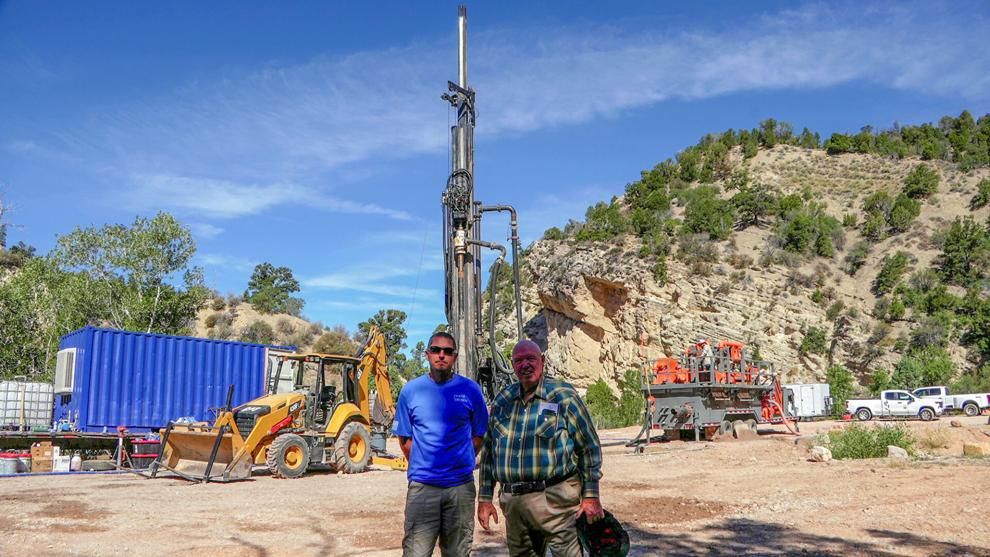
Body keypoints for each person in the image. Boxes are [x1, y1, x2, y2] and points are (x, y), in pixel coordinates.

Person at [476, 339, 605, 557]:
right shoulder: (503, 400)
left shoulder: (563, 395)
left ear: (542, 361)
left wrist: (591, 496)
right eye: (519, 360)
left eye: (530, 358)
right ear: (512, 365)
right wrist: (485, 498)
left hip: (556, 502)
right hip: (515, 506)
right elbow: (489, 453)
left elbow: (589, 447)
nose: (525, 364)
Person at [392, 331, 489, 557]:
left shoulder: (470, 390)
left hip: (460, 488)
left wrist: (463, 457)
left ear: (454, 356)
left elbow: (480, 434)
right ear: (427, 354)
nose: (441, 355)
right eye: (436, 350)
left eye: (447, 351)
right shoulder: (410, 391)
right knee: (416, 553)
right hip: (423, 488)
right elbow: (404, 439)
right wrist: (426, 464)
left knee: (458, 552)